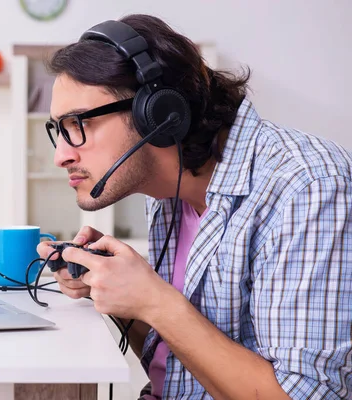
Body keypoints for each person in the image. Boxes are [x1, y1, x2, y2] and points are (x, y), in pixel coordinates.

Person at [36, 13, 352, 400]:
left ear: (157, 113)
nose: (62, 156)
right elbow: (180, 368)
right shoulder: (168, 197)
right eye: (59, 130)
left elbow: (305, 396)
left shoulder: (306, 184)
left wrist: (155, 300)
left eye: (76, 124)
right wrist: (118, 293)